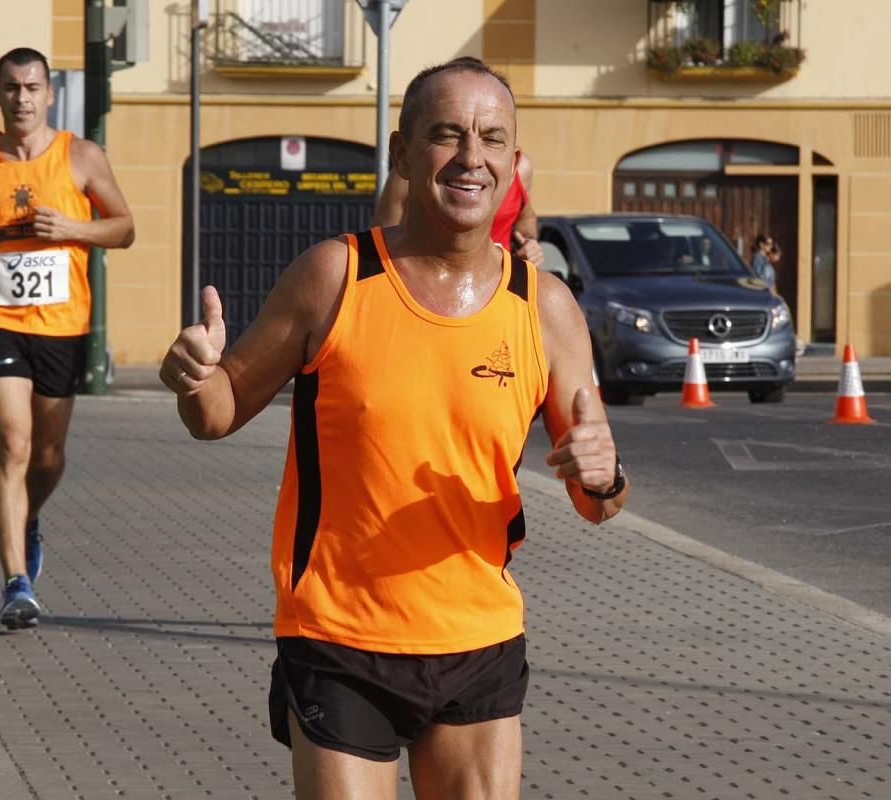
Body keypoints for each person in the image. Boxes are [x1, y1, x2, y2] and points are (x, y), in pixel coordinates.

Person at [160, 57, 627, 799]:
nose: (471, 156)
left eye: (491, 138)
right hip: (342, 636)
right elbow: (215, 413)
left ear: (512, 163)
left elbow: (597, 500)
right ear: (402, 152)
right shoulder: (336, 276)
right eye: (447, 134)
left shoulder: (545, 308)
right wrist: (193, 375)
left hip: (479, 636)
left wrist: (604, 476)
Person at [0, 47, 134, 630]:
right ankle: (16, 582)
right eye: (10, 88)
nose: (21, 98)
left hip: (63, 324)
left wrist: (74, 227)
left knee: (46, 457)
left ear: (49, 94)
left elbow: (124, 228)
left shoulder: (82, 157)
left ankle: (28, 518)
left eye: (31, 87)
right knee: (14, 444)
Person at [372, 137, 545, 267]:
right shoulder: (412, 175)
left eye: (489, 138)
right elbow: (380, 241)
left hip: (499, 288)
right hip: (425, 287)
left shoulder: (521, 169)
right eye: (453, 135)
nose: (473, 157)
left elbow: (526, 218)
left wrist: (530, 243)